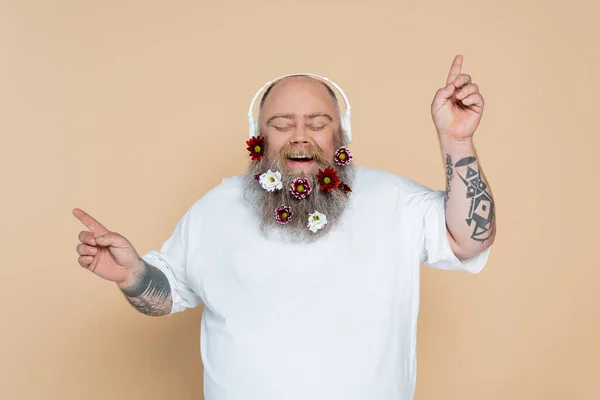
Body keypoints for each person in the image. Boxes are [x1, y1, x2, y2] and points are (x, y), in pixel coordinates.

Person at [73, 55, 496, 400]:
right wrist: (133, 276)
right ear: (258, 136)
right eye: (281, 124)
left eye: (317, 123)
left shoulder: (394, 199)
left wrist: (456, 141)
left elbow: (469, 237)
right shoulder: (214, 209)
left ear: (341, 134)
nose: (300, 136)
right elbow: (167, 292)